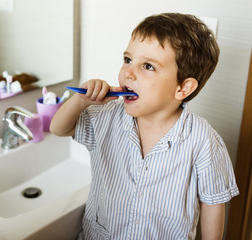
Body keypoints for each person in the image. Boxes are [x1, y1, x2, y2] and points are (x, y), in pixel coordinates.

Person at [50, 13, 239, 240]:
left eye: (147, 66)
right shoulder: (106, 117)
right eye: (128, 60)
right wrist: (82, 100)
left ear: (183, 88)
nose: (128, 73)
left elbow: (213, 205)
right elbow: (58, 128)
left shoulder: (204, 142)